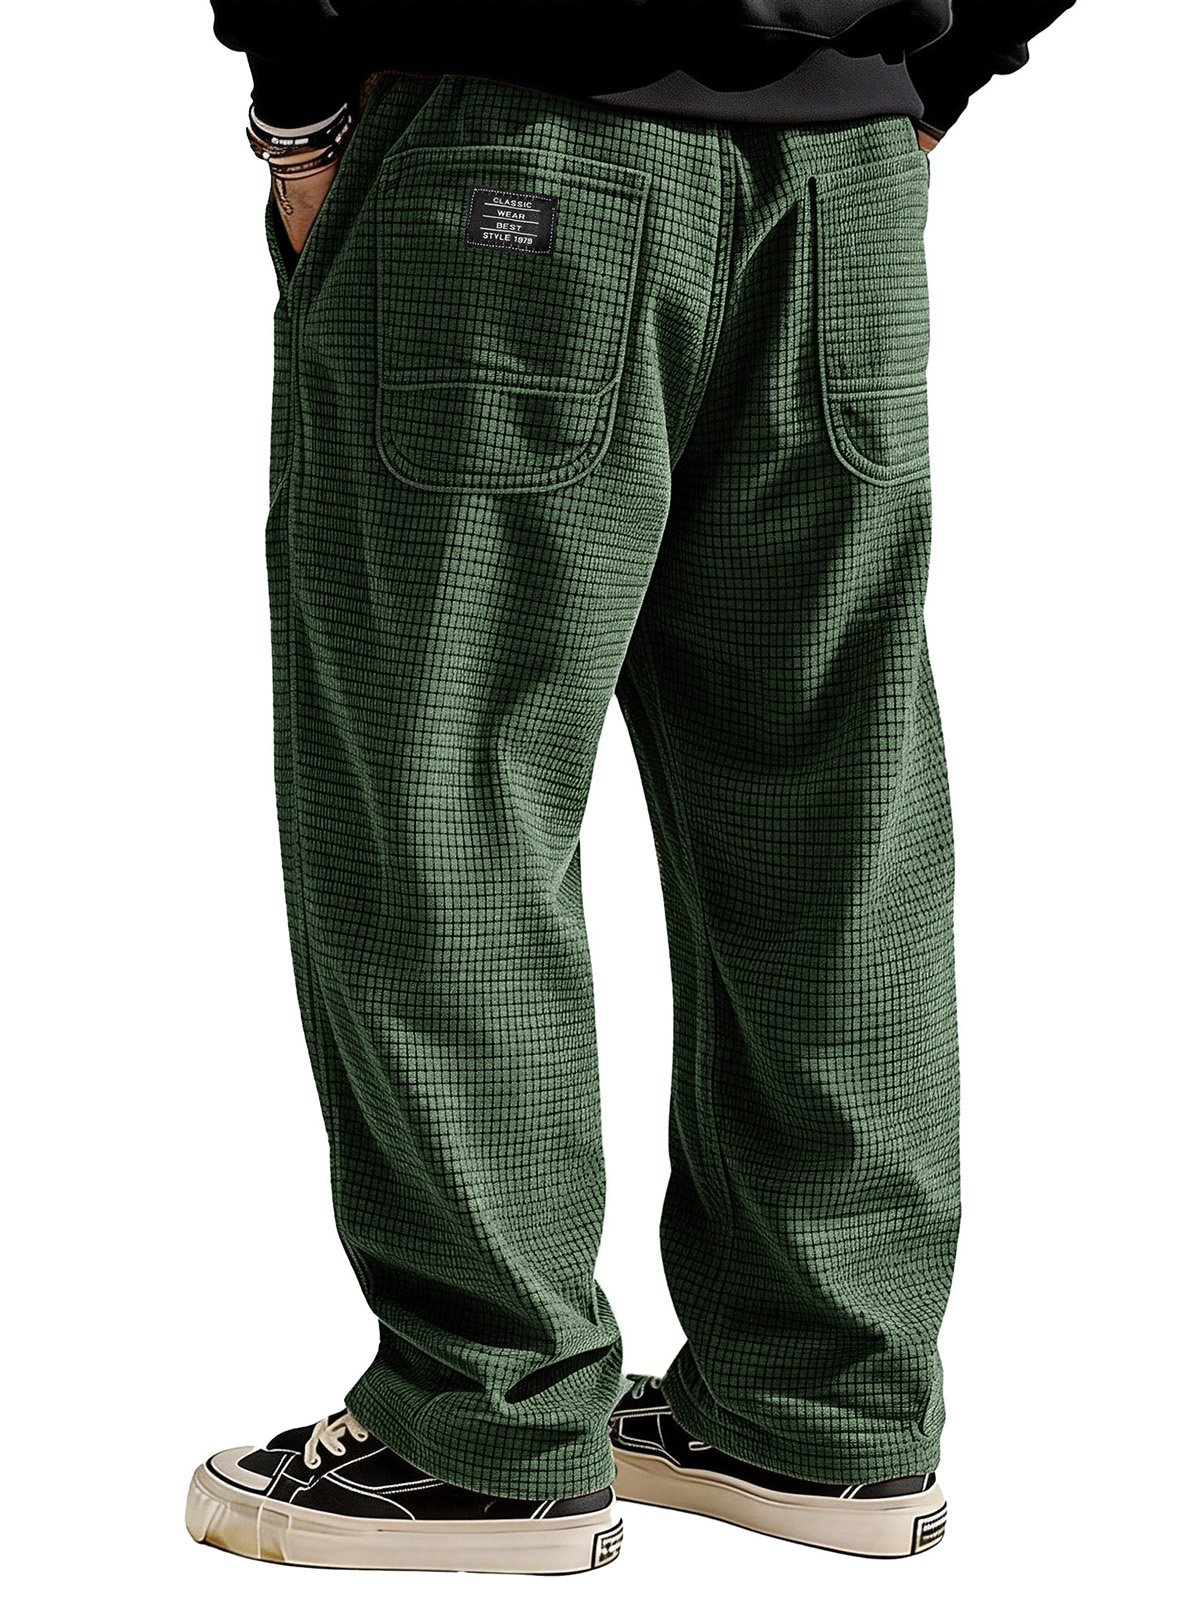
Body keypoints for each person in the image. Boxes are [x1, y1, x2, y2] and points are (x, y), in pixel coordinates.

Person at [187, 0, 1074, 1574]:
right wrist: (932, 66)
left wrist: (301, 108)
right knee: (832, 810)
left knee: (446, 790)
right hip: (847, 184)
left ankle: (485, 1428)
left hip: (517, 137)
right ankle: (821, 1410)